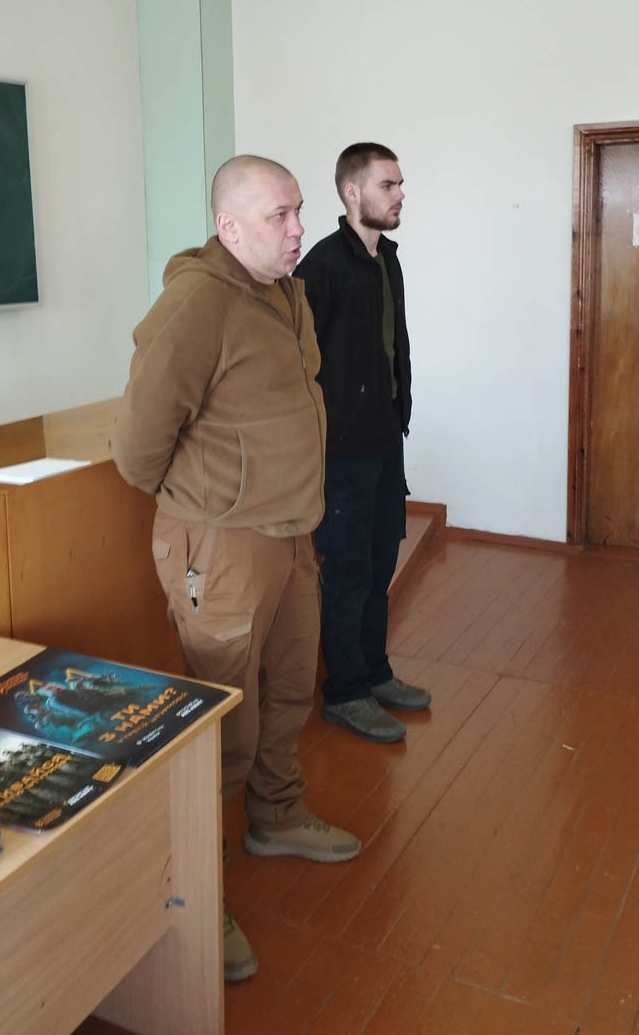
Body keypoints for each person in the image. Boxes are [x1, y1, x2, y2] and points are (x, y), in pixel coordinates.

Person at [112, 154, 361, 985]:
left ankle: (275, 815)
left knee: (288, 690)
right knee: (222, 719)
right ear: (229, 226)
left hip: (290, 534)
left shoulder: (285, 292)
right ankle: (197, 885)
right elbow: (137, 447)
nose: (298, 229)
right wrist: (208, 504)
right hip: (221, 545)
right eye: (279, 215)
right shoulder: (197, 304)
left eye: (298, 211)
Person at [295, 143, 431, 744]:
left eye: (399, 185)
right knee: (348, 571)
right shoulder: (322, 267)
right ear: (353, 192)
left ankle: (375, 673)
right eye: (388, 185)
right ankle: (345, 692)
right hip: (342, 452)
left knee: (379, 562)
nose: (400, 195)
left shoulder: (387, 259)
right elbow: (297, 362)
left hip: (384, 440)